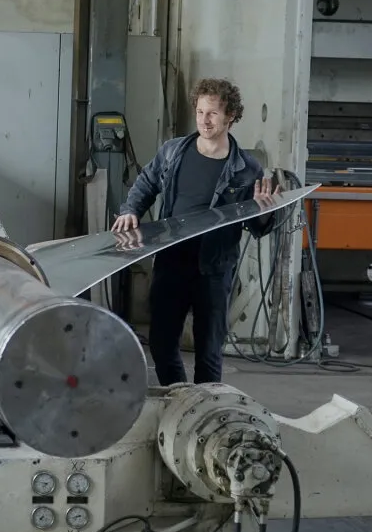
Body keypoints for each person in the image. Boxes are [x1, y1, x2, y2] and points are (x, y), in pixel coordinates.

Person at [111, 78, 277, 386]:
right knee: (161, 346)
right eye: (200, 112)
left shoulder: (245, 169)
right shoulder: (173, 152)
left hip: (213, 270)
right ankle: (180, 401)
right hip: (171, 263)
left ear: (230, 117)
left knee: (209, 352)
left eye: (213, 113)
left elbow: (258, 228)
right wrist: (130, 210)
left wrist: (264, 211)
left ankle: (205, 412)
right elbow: (146, 183)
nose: (204, 120)